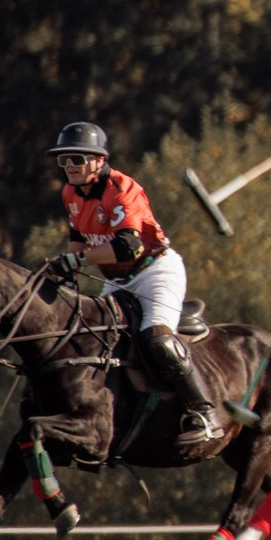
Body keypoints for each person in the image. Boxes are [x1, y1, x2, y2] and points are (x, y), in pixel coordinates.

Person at [48, 122, 220, 448]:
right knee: (91, 340)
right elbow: (78, 237)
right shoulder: (70, 193)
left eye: (77, 158)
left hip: (155, 271)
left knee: (158, 340)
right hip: (117, 280)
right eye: (64, 159)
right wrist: (68, 273)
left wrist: (74, 261)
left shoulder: (122, 188)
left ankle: (204, 413)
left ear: (99, 160)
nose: (70, 166)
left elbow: (129, 246)